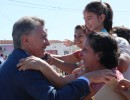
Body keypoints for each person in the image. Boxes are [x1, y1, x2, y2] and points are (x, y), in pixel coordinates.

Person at [0, 16, 116, 100]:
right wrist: (87, 78)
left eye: (85, 50)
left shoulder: (21, 60)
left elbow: (59, 83)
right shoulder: (24, 65)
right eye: (43, 37)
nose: (48, 43)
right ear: (26, 40)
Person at [17, 32, 123, 99]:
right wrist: (42, 65)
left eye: (85, 50)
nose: (80, 53)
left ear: (99, 55)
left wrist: (43, 66)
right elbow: (61, 82)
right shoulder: (90, 70)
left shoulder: (107, 81)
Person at [83, 1, 130, 73]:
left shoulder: (119, 41)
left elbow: (122, 66)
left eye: (89, 18)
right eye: (84, 19)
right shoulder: (91, 44)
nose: (86, 23)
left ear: (101, 17)